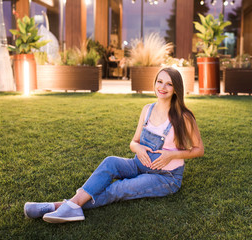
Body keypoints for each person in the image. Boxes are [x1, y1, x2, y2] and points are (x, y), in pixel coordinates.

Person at [24, 67, 204, 223]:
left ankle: (56, 206)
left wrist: (172, 155)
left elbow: (199, 149)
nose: (162, 87)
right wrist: (138, 148)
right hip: (139, 164)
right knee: (110, 162)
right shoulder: (147, 109)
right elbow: (133, 142)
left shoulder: (184, 117)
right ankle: (71, 206)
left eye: (169, 84)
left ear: (176, 89)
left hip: (166, 177)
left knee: (119, 188)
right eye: (160, 81)